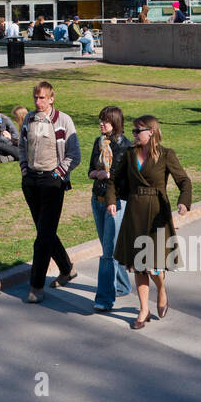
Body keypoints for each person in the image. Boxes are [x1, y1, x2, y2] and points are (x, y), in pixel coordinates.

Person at [113, 115, 191, 330]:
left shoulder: (166, 155)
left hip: (158, 212)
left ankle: (162, 290)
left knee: (155, 267)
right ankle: (143, 309)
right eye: (134, 131)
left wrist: (183, 203)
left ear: (151, 132)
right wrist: (111, 199)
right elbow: (114, 179)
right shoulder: (129, 154)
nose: (134, 135)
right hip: (134, 211)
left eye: (138, 131)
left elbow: (184, 181)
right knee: (139, 266)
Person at [17, 80, 81, 303]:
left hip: (53, 182)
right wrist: (24, 168)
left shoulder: (63, 120)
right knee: (45, 231)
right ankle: (67, 268)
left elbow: (75, 154)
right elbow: (21, 146)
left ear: (52, 98)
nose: (38, 101)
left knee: (42, 237)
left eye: (42, 97)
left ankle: (36, 286)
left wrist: (58, 173)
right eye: (36, 97)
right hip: (31, 181)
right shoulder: (29, 119)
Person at [87, 105, 134, 313]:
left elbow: (121, 179)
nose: (101, 123)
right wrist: (100, 173)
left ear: (115, 123)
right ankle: (123, 285)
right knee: (110, 248)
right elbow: (90, 171)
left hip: (115, 203)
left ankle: (104, 299)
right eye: (100, 119)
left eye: (105, 120)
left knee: (107, 253)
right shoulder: (99, 143)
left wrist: (106, 174)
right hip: (97, 199)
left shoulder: (125, 147)